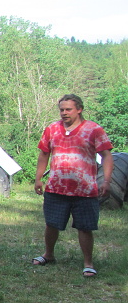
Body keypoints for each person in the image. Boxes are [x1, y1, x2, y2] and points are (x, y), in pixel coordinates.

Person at [33, 94, 113, 277]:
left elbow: (107, 156)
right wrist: (38, 178)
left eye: (68, 109)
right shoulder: (52, 129)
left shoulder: (94, 129)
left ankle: (88, 263)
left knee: (85, 227)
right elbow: (44, 154)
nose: (64, 113)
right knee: (51, 224)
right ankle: (48, 255)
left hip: (85, 190)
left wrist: (107, 180)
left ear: (79, 109)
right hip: (56, 188)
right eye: (61, 109)